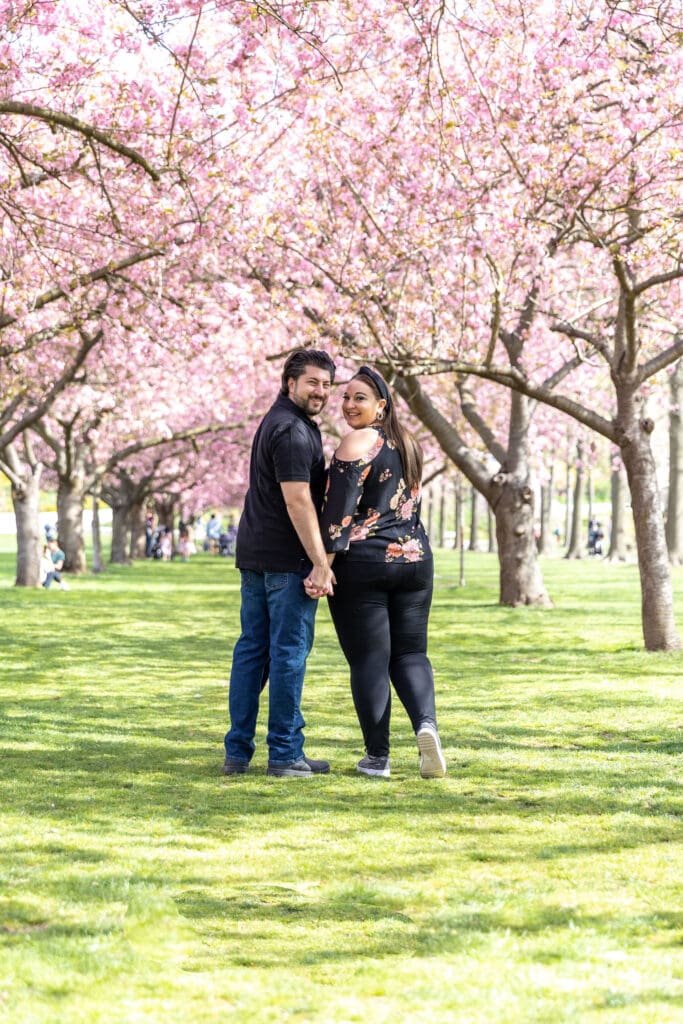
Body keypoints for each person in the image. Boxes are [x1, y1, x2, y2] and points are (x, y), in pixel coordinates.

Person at [311, 365, 446, 780]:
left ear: (381, 406)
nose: (349, 404)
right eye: (346, 397)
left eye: (360, 398)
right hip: (415, 560)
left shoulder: (356, 442)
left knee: (370, 660)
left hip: (365, 563)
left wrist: (322, 568)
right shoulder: (409, 444)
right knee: (411, 654)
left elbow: (337, 517)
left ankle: (377, 757)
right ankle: (426, 725)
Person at [223, 348, 336, 778]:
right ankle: (285, 753)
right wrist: (320, 563)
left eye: (327, 384)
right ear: (290, 383)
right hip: (284, 562)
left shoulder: (282, 421)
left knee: (253, 651)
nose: (320, 392)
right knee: (288, 653)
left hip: (256, 554)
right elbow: (297, 499)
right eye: (312, 382)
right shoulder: (291, 429)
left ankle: (238, 753)